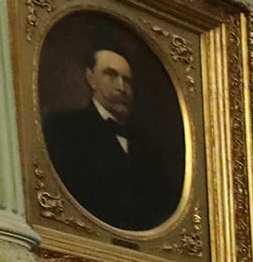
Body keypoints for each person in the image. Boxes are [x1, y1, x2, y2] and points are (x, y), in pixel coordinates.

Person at [41, 37, 183, 230]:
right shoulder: (64, 127)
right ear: (90, 78)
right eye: (111, 75)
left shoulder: (149, 146)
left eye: (127, 80)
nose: (121, 87)